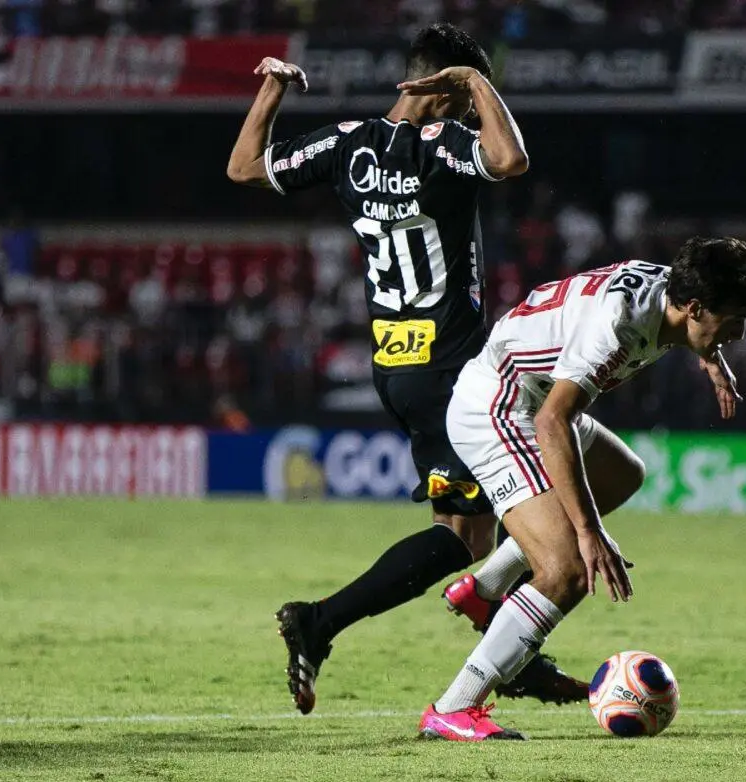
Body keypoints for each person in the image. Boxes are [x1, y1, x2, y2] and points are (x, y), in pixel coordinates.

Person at [226, 22, 585, 714]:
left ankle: (516, 655)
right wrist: (479, 86)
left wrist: (273, 88)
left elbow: (245, 167)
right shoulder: (447, 146)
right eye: (463, 88)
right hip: (456, 375)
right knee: (488, 532)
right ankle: (324, 622)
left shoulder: (348, 142)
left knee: (479, 532)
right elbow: (512, 162)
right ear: (447, 91)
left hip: (396, 367)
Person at [420, 237, 746, 740]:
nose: (741, 331)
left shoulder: (676, 288)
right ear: (693, 308)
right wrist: (588, 529)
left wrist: (708, 354)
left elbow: (559, 412)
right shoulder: (618, 327)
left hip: (531, 396)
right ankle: (454, 706)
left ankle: (485, 591)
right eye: (734, 319)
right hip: (502, 408)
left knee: (621, 474)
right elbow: (553, 424)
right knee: (569, 570)